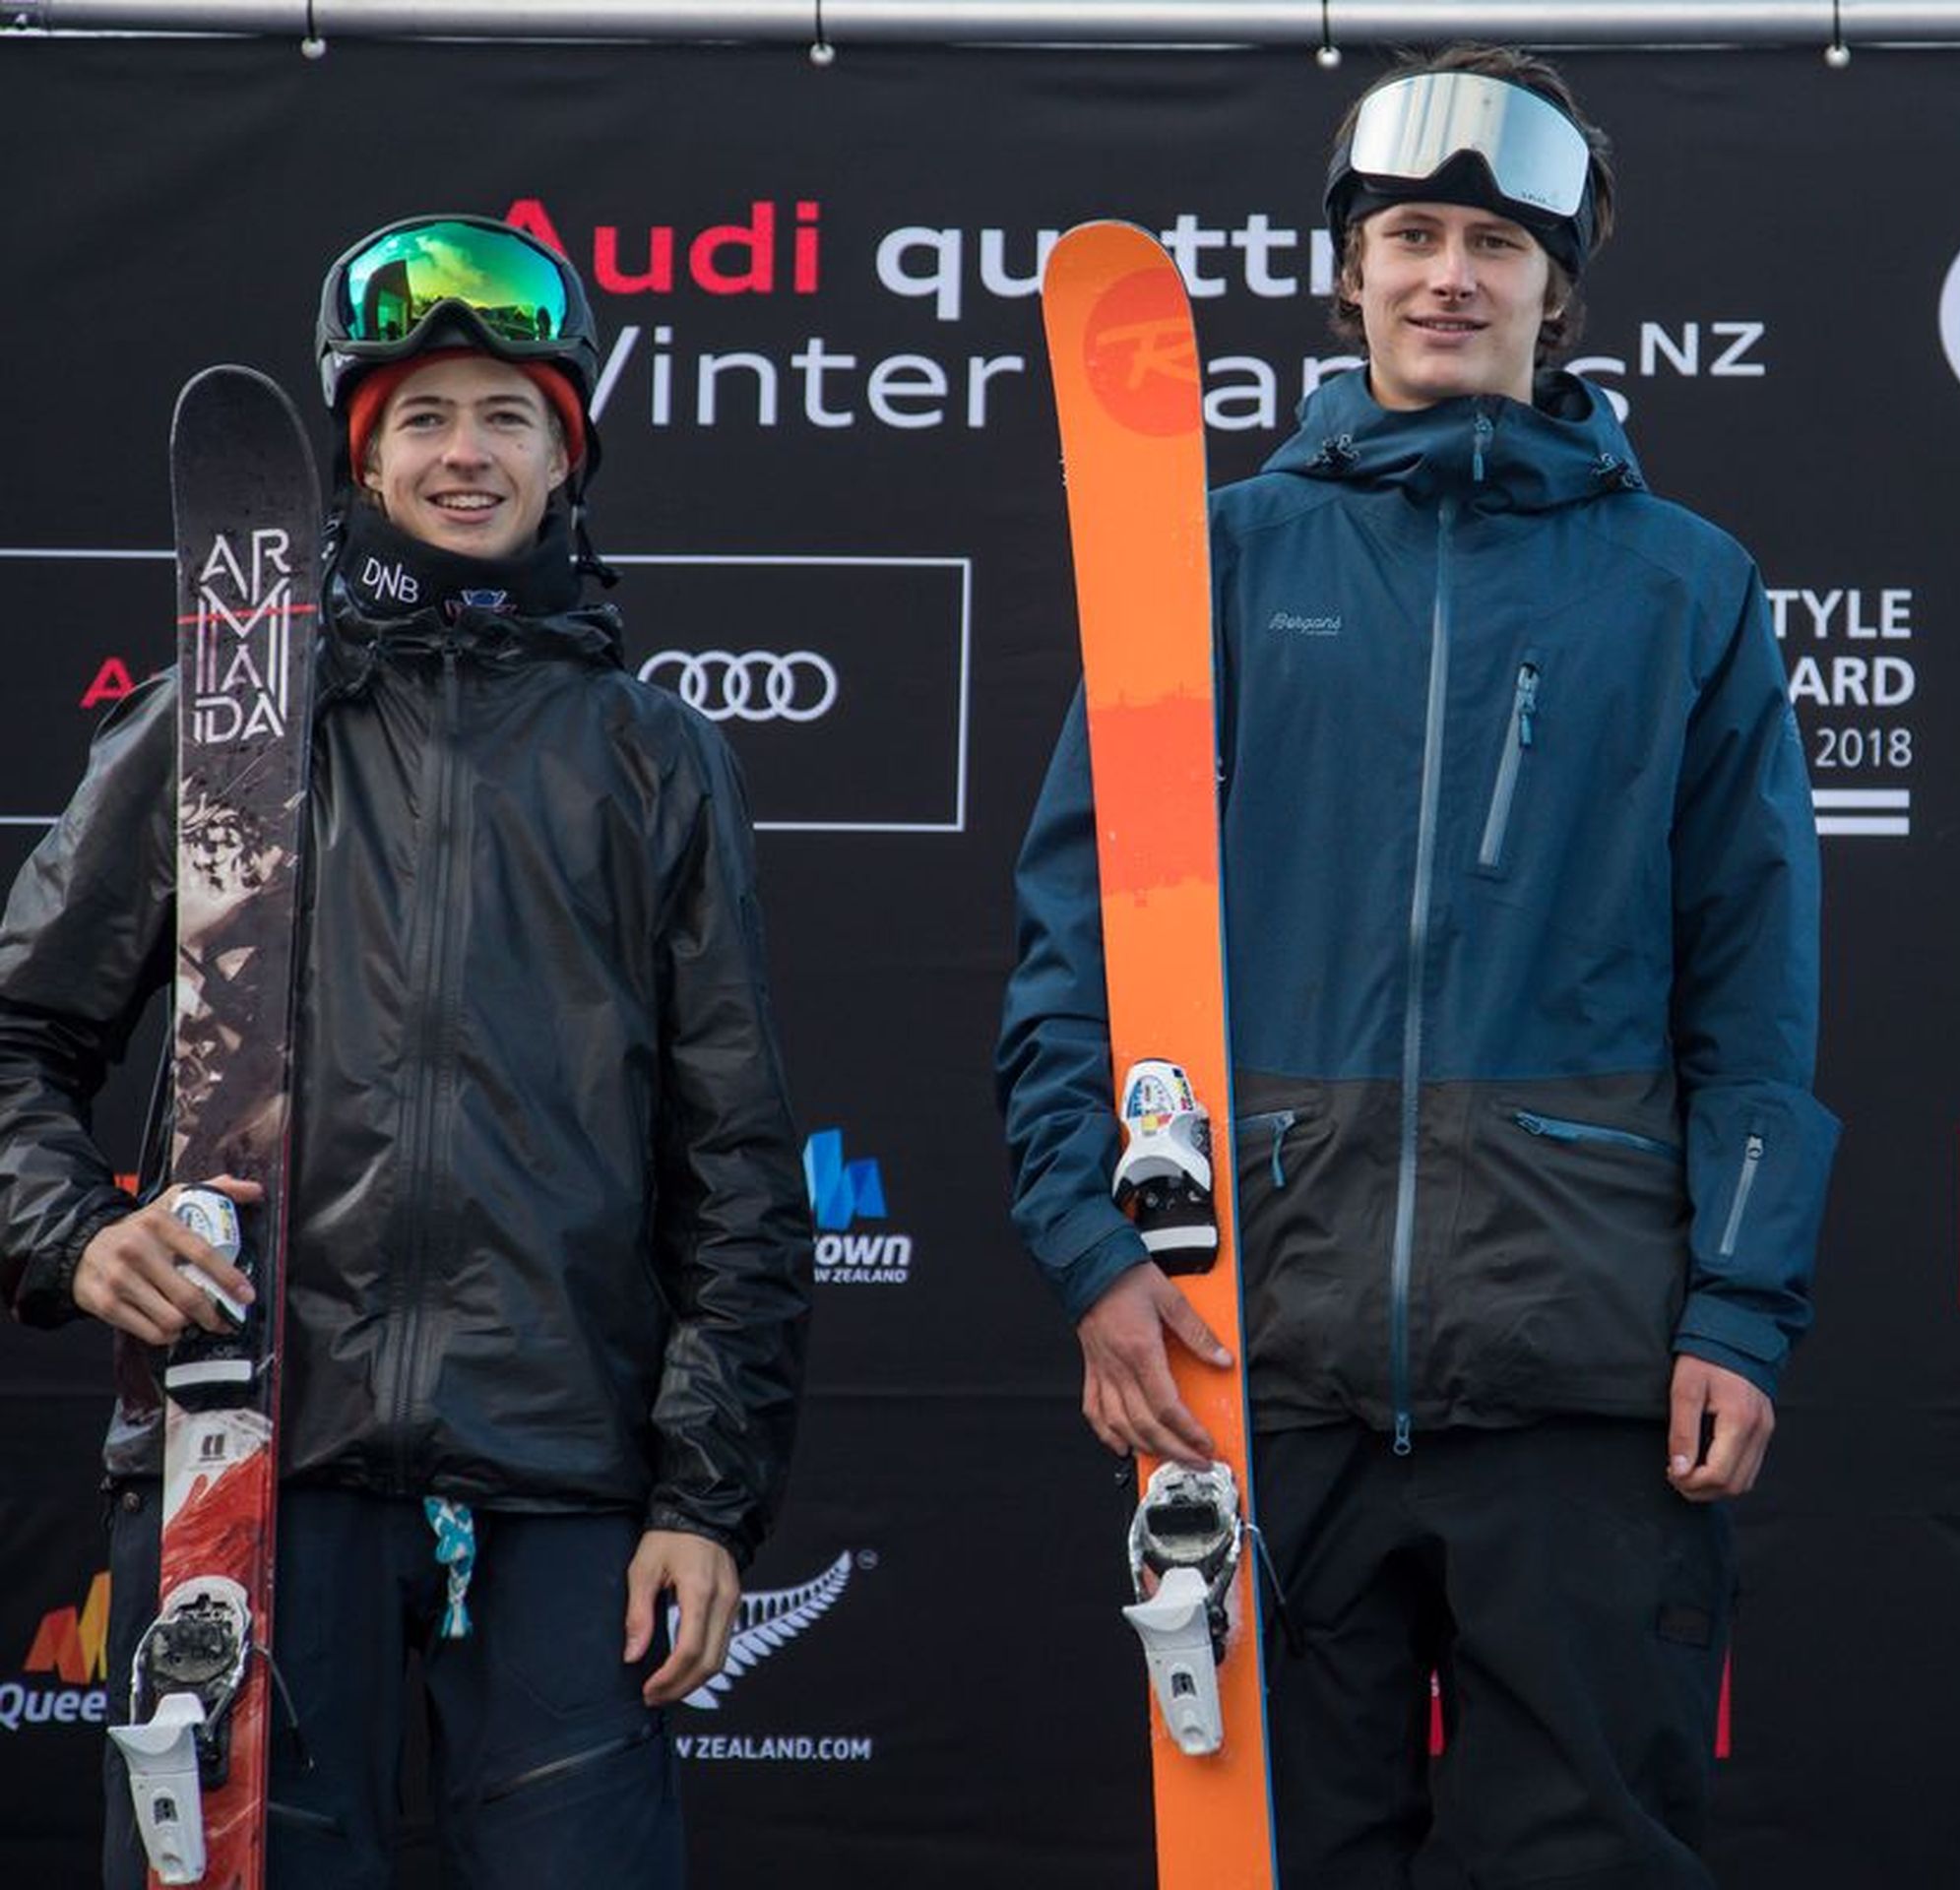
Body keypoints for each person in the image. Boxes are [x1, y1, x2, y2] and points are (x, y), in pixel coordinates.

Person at [998, 44, 1836, 1889]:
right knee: (1282, 1858)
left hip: (1586, 1373)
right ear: (1350, 272)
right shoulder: (1212, 557)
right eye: (1410, 235)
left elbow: (1756, 985)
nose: (1450, 273)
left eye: (1495, 243)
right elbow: (1079, 954)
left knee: (1586, 1859)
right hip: (1259, 1359)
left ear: (1559, 287)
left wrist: (1738, 1310)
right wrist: (1089, 1252)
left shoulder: (1686, 586)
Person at [0, 213, 811, 1889]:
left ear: (563, 451)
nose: (466, 453)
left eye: (508, 415)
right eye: (424, 416)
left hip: (569, 1491)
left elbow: (734, 1160)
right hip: (256, 1470)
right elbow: (18, 1037)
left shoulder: (654, 756)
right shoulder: (227, 716)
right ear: (363, 454)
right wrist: (76, 1232)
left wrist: (707, 1502)